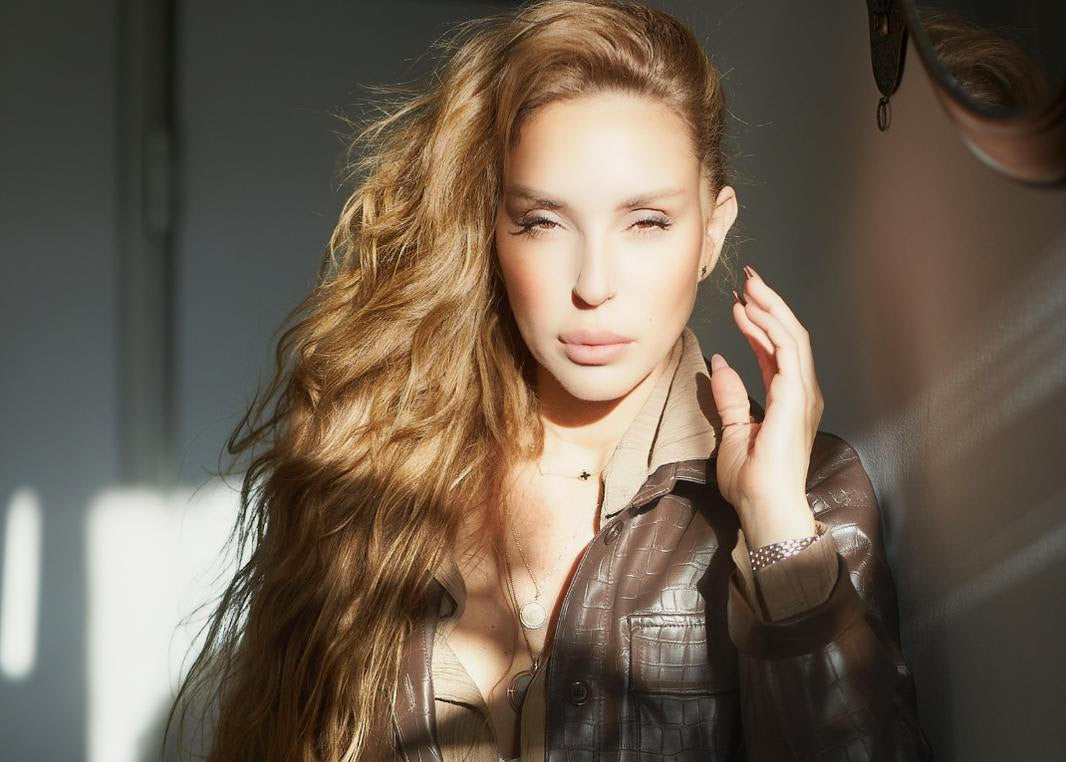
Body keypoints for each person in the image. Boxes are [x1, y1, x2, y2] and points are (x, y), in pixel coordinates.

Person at [164, 1, 935, 760]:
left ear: (713, 232)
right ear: (491, 233)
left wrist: (772, 522)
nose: (593, 284)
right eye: (543, 221)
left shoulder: (809, 495)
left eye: (647, 222)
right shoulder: (374, 464)